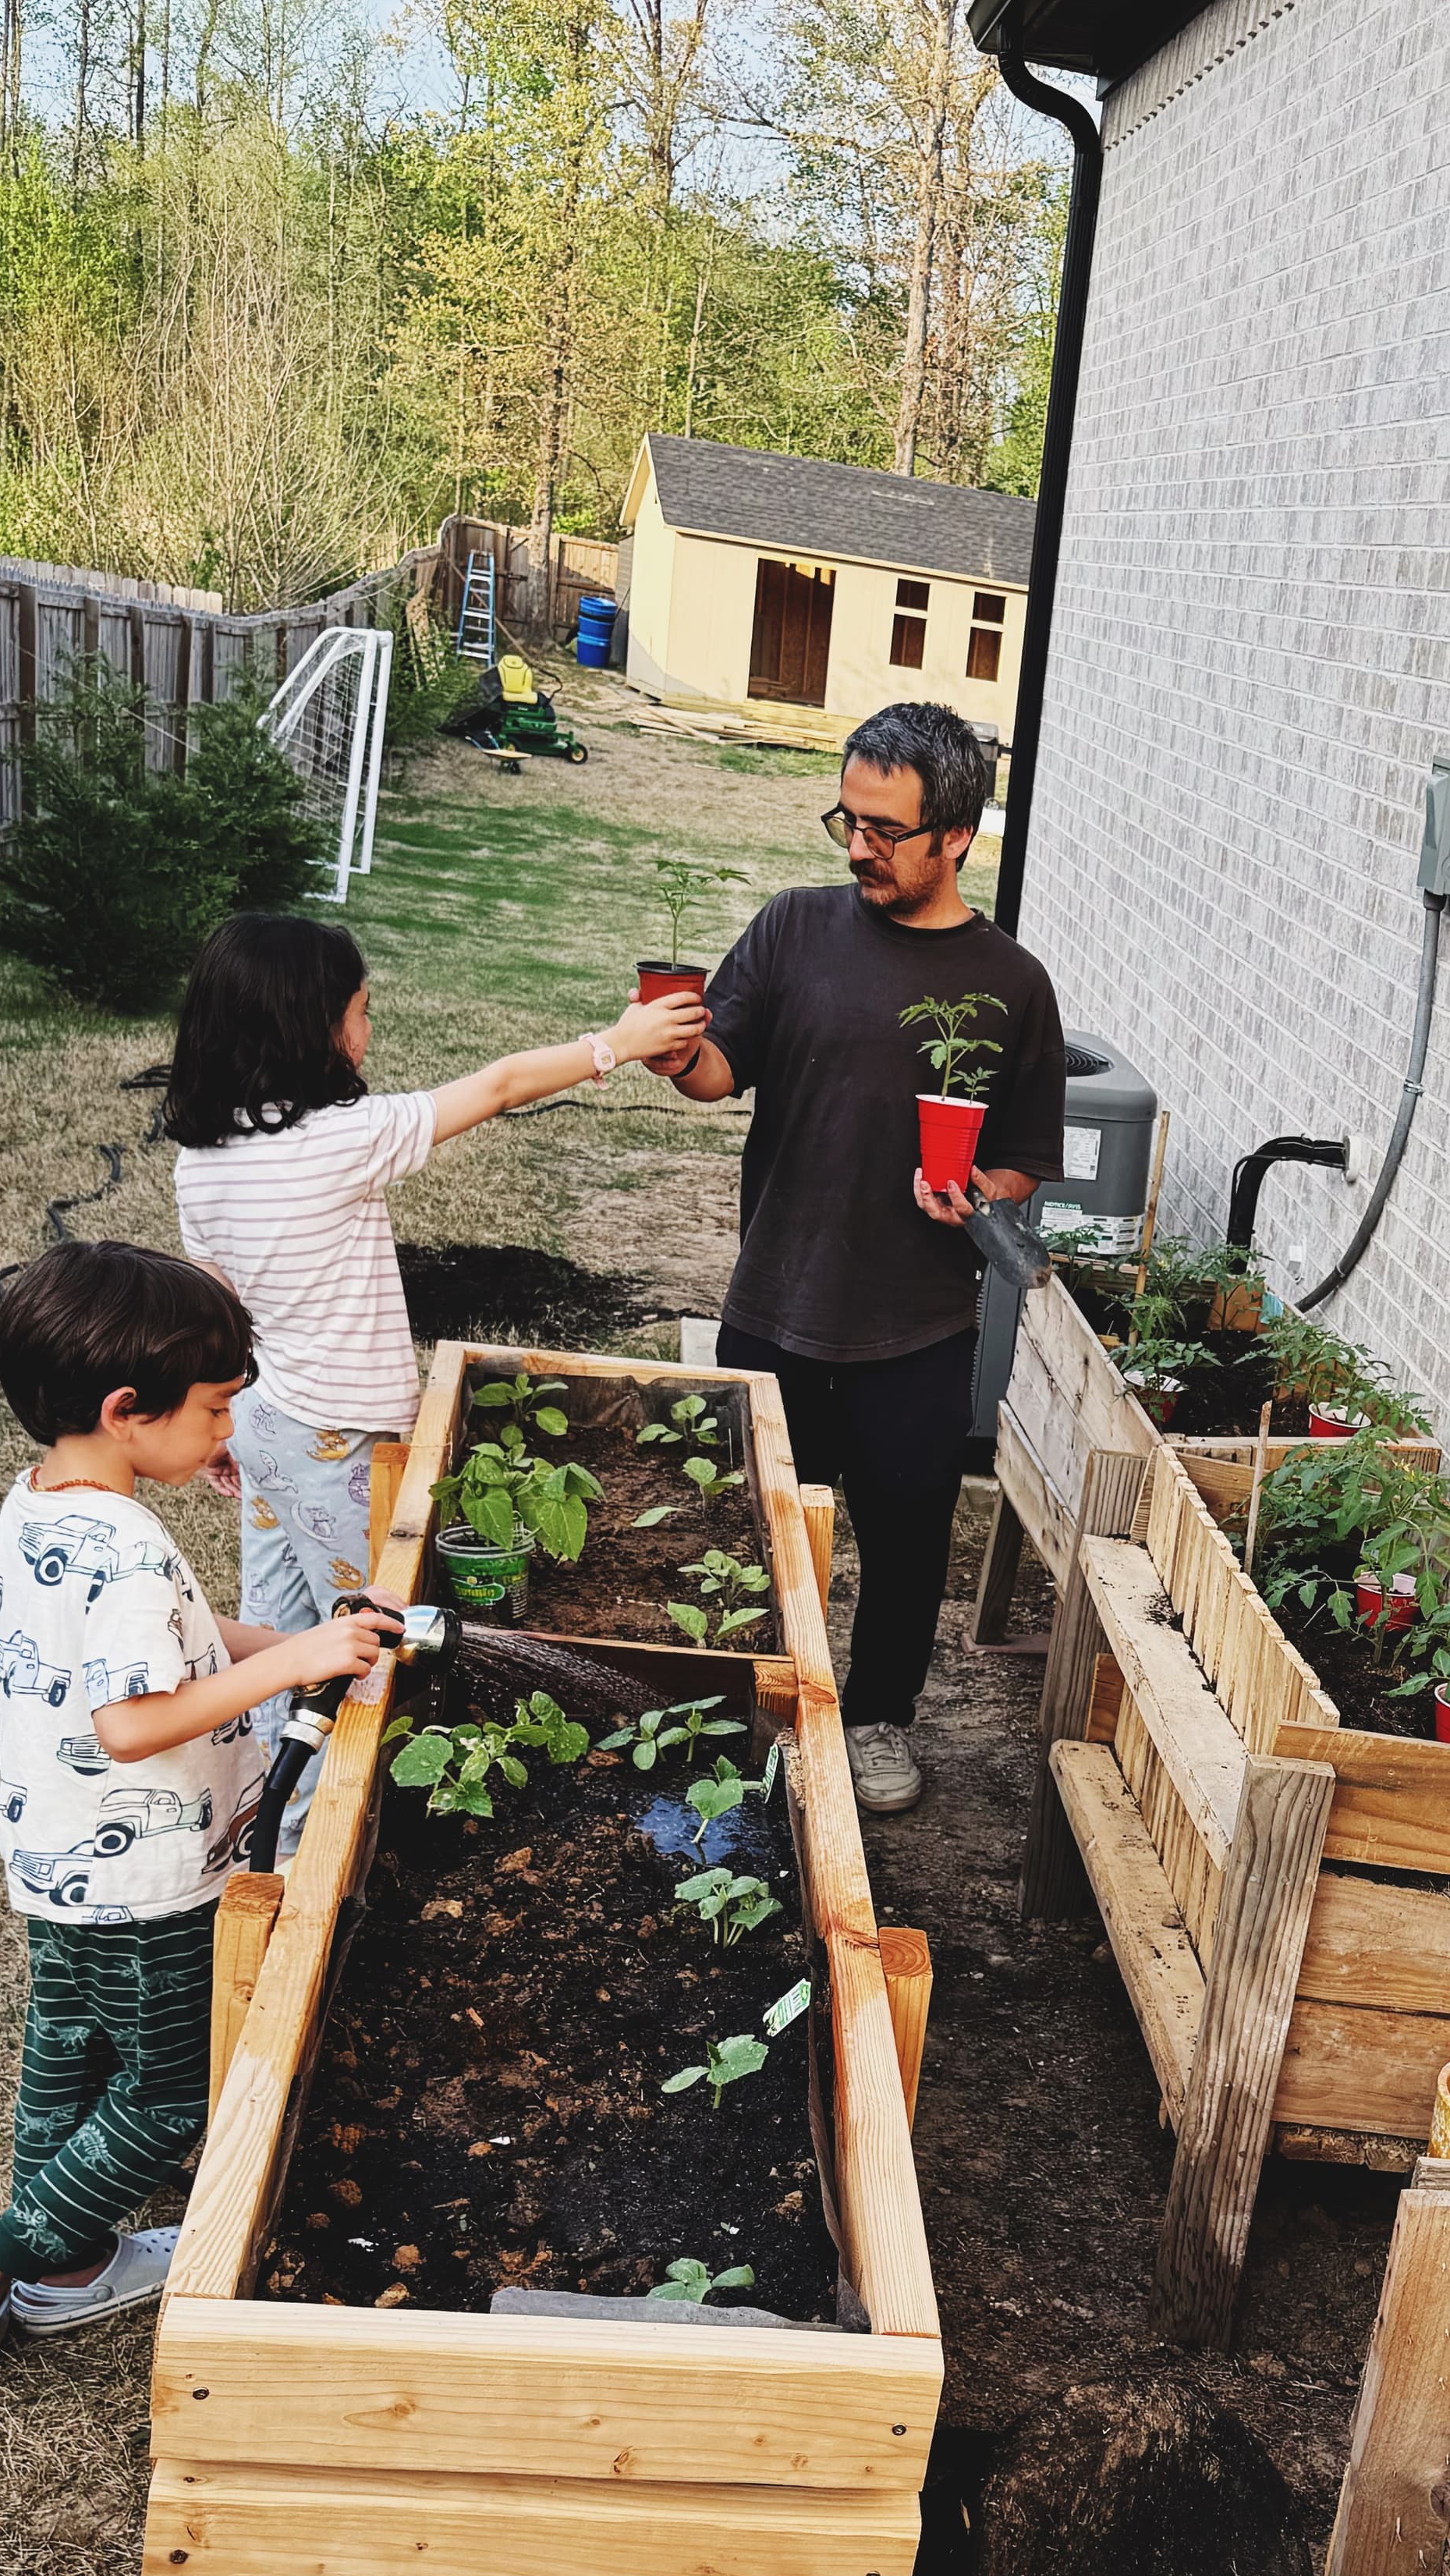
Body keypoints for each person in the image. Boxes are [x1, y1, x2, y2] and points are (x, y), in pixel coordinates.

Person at [0, 1241, 392, 2354]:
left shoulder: (43, 1499)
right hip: (149, 1874)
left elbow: (180, 1652)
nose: (226, 1435)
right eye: (215, 1412)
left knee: (70, 2047)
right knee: (168, 2093)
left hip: (58, 1857)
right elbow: (135, 1721)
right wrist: (283, 1669)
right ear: (128, 1409)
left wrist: (313, 1642)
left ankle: (68, 2256)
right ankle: (6, 2265)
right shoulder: (120, 1546)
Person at [658, 700, 1068, 1817]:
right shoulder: (793, 929)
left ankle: (879, 1720)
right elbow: (719, 1072)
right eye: (849, 817)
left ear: (956, 837)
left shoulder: (1011, 985)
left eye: (887, 829)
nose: (859, 845)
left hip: (917, 1322)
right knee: (750, 1529)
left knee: (903, 1541)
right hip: (776, 1296)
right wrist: (675, 1052)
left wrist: (976, 1191)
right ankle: (737, 1709)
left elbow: (1027, 1156)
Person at [167, 912, 707, 1706]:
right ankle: (331, 1805)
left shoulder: (200, 1161)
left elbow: (220, 1315)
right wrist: (615, 1043)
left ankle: (269, 1812)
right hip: (339, 1444)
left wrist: (223, 1419)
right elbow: (499, 1086)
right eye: (359, 1009)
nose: (369, 1025)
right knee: (363, 1641)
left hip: (264, 1423)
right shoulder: (343, 1138)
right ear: (309, 1029)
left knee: (276, 1634)